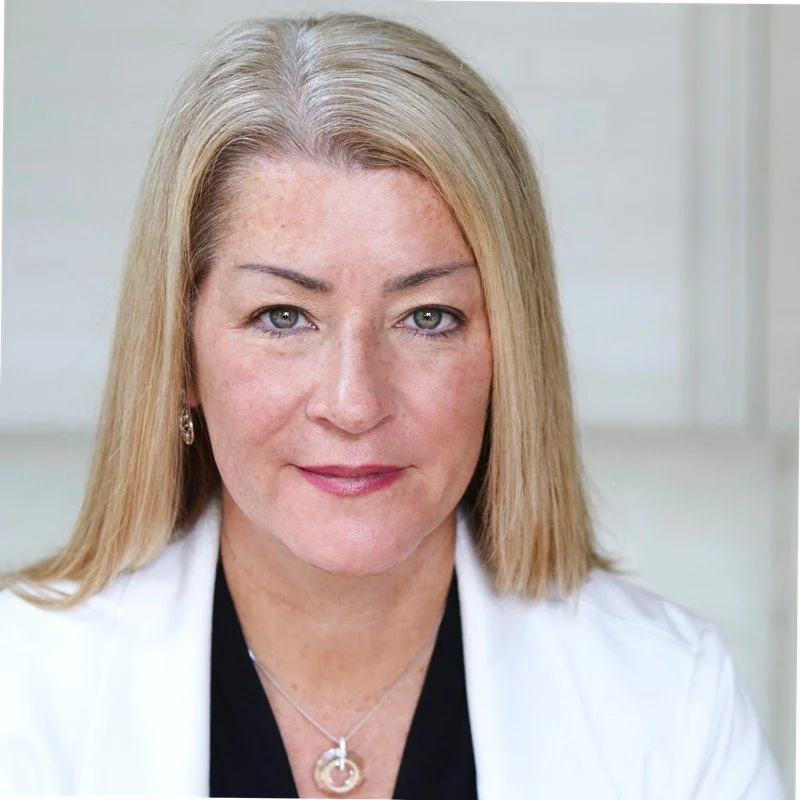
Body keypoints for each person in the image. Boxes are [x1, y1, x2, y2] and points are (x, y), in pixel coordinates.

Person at [0, 12, 785, 799]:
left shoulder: (673, 700)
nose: (353, 403)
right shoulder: (22, 690)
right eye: (283, 317)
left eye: (428, 317)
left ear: (510, 353)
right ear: (180, 352)